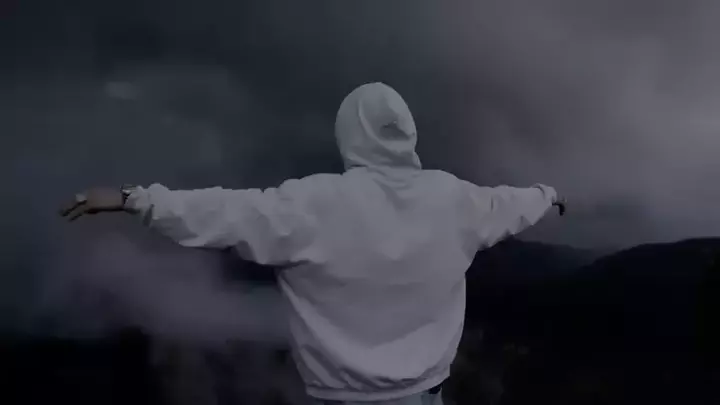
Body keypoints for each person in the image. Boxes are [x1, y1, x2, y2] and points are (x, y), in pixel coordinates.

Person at [61, 83, 565, 405]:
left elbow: (220, 212)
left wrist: (132, 199)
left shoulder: (312, 204)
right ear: (407, 132)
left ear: (349, 134)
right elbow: (512, 203)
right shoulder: (454, 198)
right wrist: (548, 196)